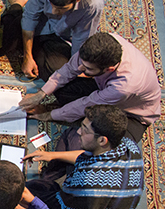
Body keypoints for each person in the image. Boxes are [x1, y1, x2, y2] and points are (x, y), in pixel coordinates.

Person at [24, 105, 144, 209]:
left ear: (102, 140)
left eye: (85, 130)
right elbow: (89, 156)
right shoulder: (129, 146)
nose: (80, 131)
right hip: (93, 200)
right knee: (71, 135)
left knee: (22, 197)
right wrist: (51, 155)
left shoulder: (89, 184)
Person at [19, 32, 161, 142]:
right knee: (56, 77)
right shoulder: (101, 43)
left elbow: (86, 104)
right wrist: (41, 94)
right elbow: (69, 69)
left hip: (132, 114)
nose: (80, 68)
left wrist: (50, 115)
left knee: (103, 143)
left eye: (88, 68)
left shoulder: (125, 86)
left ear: (109, 69)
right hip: (102, 89)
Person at [0, 0, 104, 82]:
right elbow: (30, 18)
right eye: (51, 5)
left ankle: (37, 50)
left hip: (62, 37)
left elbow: (81, 38)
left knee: (59, 75)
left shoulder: (92, 5)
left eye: (61, 9)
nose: (53, 12)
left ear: (78, 0)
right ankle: (17, 3)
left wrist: (75, 69)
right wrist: (27, 56)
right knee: (6, 40)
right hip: (41, 24)